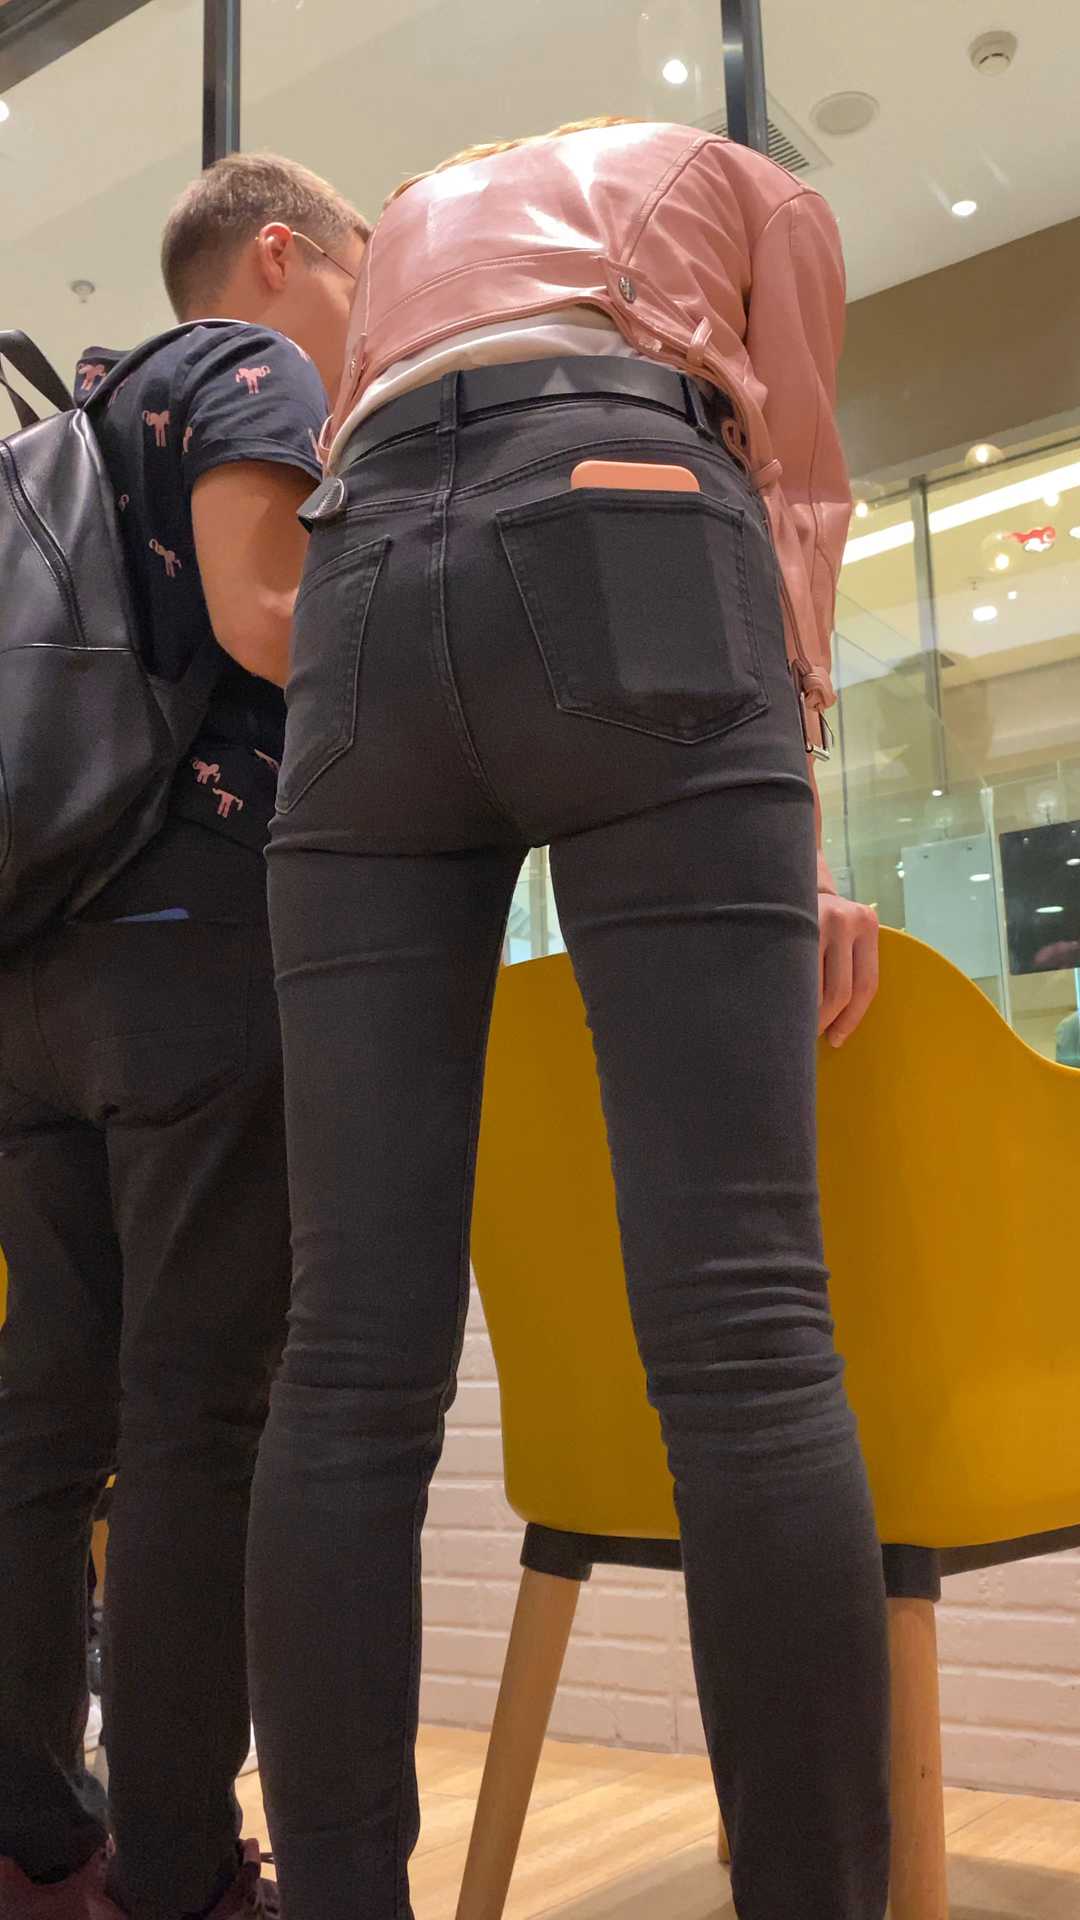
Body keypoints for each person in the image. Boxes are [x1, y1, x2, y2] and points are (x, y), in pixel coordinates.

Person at [247, 117, 887, 1920]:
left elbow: (362, 439)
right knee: (743, 1329)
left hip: (363, 578)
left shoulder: (413, 217)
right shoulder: (750, 183)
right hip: (632, 509)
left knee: (346, 1354)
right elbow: (799, 482)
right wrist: (791, 813)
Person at [0, 154, 368, 1920]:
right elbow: (266, 617)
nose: (367, 315)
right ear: (280, 252)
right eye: (359, 271)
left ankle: (30, 1839)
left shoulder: (67, 432)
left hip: (29, 968)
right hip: (189, 945)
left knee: (42, 1419)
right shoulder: (251, 364)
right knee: (193, 1418)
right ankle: (175, 1866)